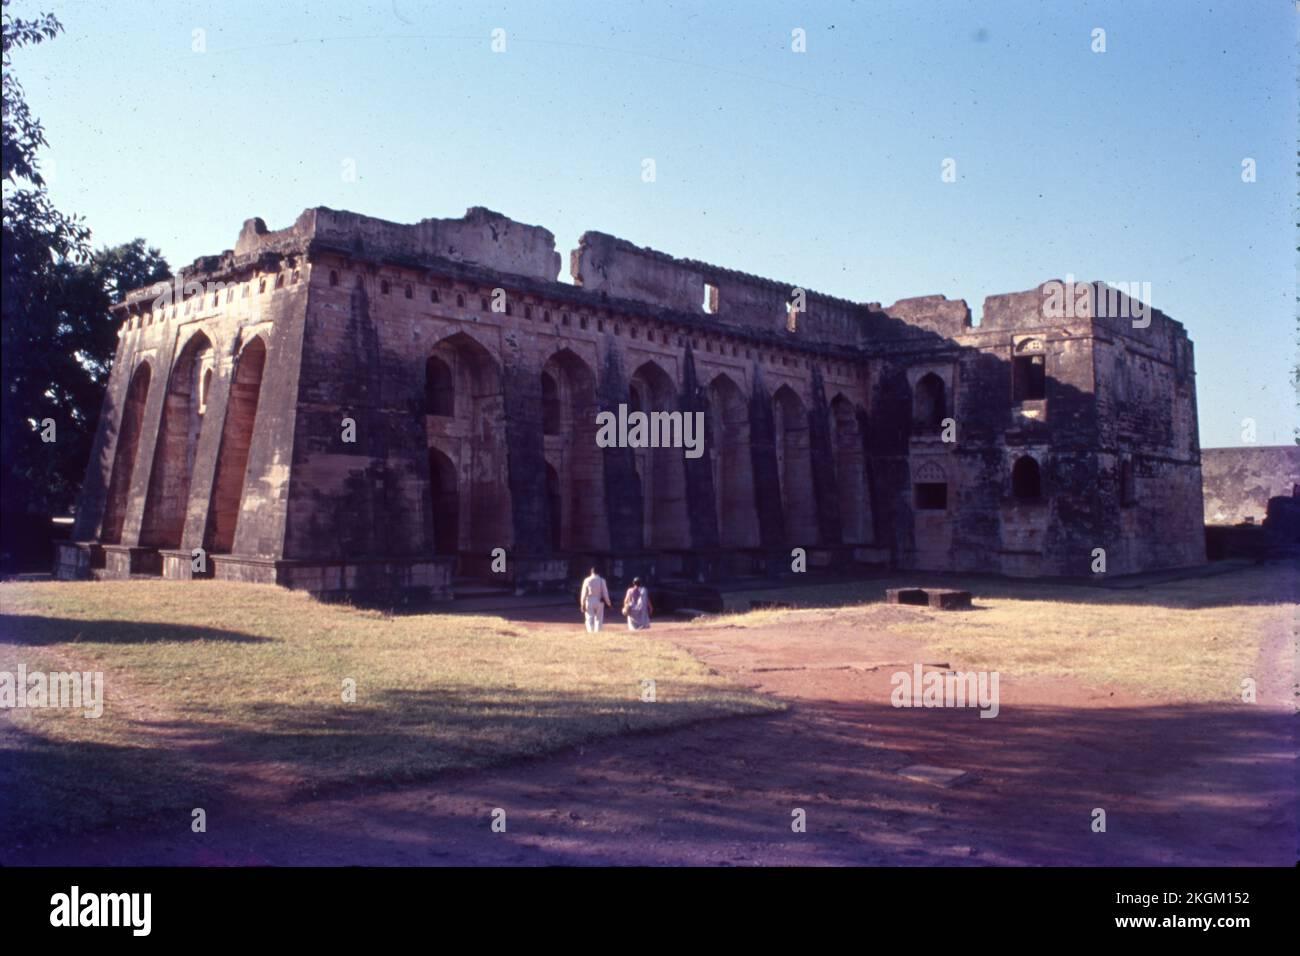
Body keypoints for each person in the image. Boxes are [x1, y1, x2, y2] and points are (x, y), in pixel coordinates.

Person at [579, 567, 611, 633]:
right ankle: (597, 633)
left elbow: (584, 593)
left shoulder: (587, 580)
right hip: (599, 601)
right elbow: (605, 593)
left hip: (589, 600)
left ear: (591, 572)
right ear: (599, 572)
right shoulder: (602, 580)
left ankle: (591, 633)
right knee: (599, 619)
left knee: (589, 618)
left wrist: (582, 604)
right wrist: (609, 603)